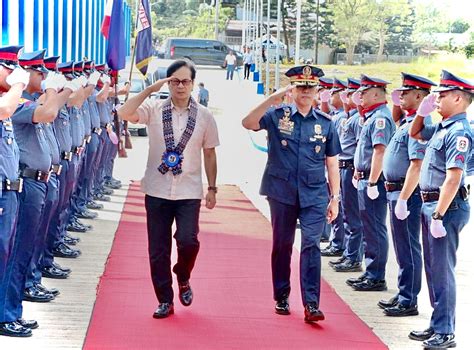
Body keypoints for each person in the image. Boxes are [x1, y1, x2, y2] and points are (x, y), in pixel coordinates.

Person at [117, 60, 219, 319]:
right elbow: (125, 113)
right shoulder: (153, 109)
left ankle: (183, 275)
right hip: (157, 190)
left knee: (188, 241)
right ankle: (165, 299)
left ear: (193, 84)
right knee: (158, 250)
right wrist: (150, 90)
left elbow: (209, 154)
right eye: (175, 81)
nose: (180, 86)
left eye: (185, 81)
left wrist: (213, 188)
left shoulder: (205, 116)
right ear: (168, 83)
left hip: (188, 192)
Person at [242, 65, 341, 323]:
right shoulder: (277, 115)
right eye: (301, 86)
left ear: (318, 90)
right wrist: (273, 98)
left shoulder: (325, 123)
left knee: (311, 245)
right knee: (283, 244)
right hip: (282, 192)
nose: (306, 91)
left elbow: (332, 162)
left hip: (315, 194)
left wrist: (335, 198)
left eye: (311, 87)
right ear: (292, 89)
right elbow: (248, 123)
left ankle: (311, 303)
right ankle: (282, 295)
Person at [407, 70, 473, 349]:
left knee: (442, 271)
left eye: (442, 95)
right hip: (431, 203)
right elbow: (416, 132)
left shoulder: (459, 132)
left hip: (446, 207)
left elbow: (453, 176)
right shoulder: (444, 127)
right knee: (433, 269)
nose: (436, 99)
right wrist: (422, 113)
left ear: (458, 98)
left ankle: (446, 331)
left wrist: (438, 215)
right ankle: (437, 324)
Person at [379, 73, 435, 317]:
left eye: (406, 92)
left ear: (420, 96)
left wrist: (403, 198)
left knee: (409, 246)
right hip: (396, 190)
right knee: (402, 246)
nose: (400, 95)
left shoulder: (420, 127)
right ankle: (403, 292)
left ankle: (408, 299)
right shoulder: (408, 121)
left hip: (406, 193)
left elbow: (416, 165)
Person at [348, 74, 395, 292]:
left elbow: (379, 151)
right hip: (365, 177)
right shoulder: (371, 115)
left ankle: (376, 276)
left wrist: (373, 182)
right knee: (369, 227)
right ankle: (370, 271)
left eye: (364, 92)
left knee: (375, 228)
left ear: (376, 93)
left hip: (372, 179)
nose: (360, 96)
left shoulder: (380, 118)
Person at [0, 45, 33, 338]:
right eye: (8, 68)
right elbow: (6, 109)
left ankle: (5, 315)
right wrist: (20, 83)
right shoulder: (6, 102)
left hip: (9, 193)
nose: (12, 74)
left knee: (6, 256)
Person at [329, 78, 365, 273]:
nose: (345, 97)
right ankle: (348, 253)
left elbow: (360, 147)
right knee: (345, 214)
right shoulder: (347, 117)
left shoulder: (356, 119)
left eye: (349, 94)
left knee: (352, 216)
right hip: (342, 167)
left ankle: (353, 256)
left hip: (351, 168)